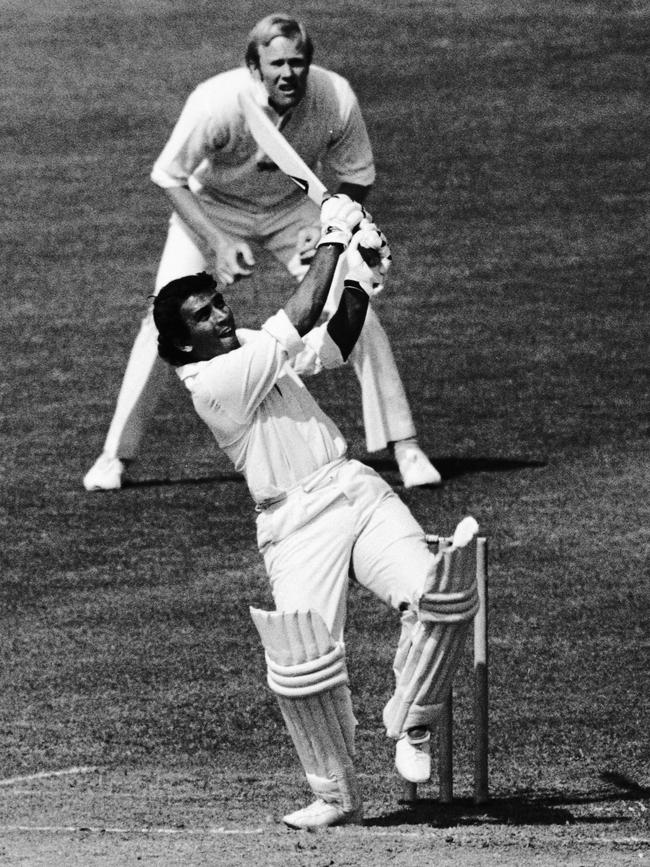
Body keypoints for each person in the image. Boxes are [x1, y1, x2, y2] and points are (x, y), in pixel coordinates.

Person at [151, 195, 478, 830]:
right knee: (304, 662)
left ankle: (413, 718)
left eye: (218, 303)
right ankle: (336, 795)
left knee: (436, 597)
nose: (221, 315)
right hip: (294, 525)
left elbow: (333, 341)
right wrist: (333, 236)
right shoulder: (210, 385)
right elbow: (299, 315)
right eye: (203, 315)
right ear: (182, 344)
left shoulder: (246, 344)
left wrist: (362, 273)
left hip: (352, 489)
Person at [83, 12, 441, 492]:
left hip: (294, 210)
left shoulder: (335, 98)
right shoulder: (215, 103)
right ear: (255, 66)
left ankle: (405, 445)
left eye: (297, 63)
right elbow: (168, 176)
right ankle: (114, 456)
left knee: (359, 309)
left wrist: (330, 228)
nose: (288, 74)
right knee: (161, 320)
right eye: (276, 64)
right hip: (213, 209)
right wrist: (217, 241)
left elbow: (358, 173)